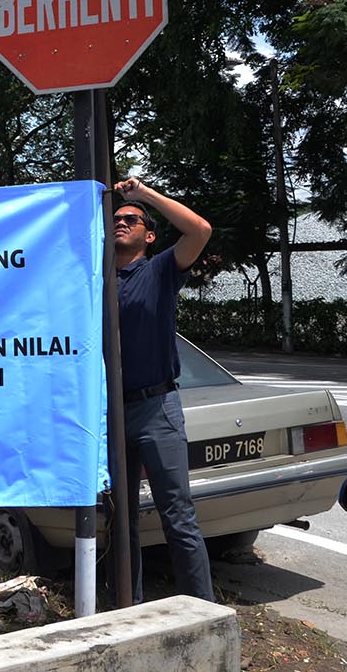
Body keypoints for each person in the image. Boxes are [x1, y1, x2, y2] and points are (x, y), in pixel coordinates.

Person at [112, 176, 215, 603]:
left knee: (178, 515)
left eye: (131, 219)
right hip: (112, 413)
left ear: (149, 236)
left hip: (157, 407)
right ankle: (127, 608)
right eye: (115, 219)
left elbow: (200, 230)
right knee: (120, 520)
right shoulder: (97, 281)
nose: (121, 222)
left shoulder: (159, 271)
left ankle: (202, 610)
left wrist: (144, 195)